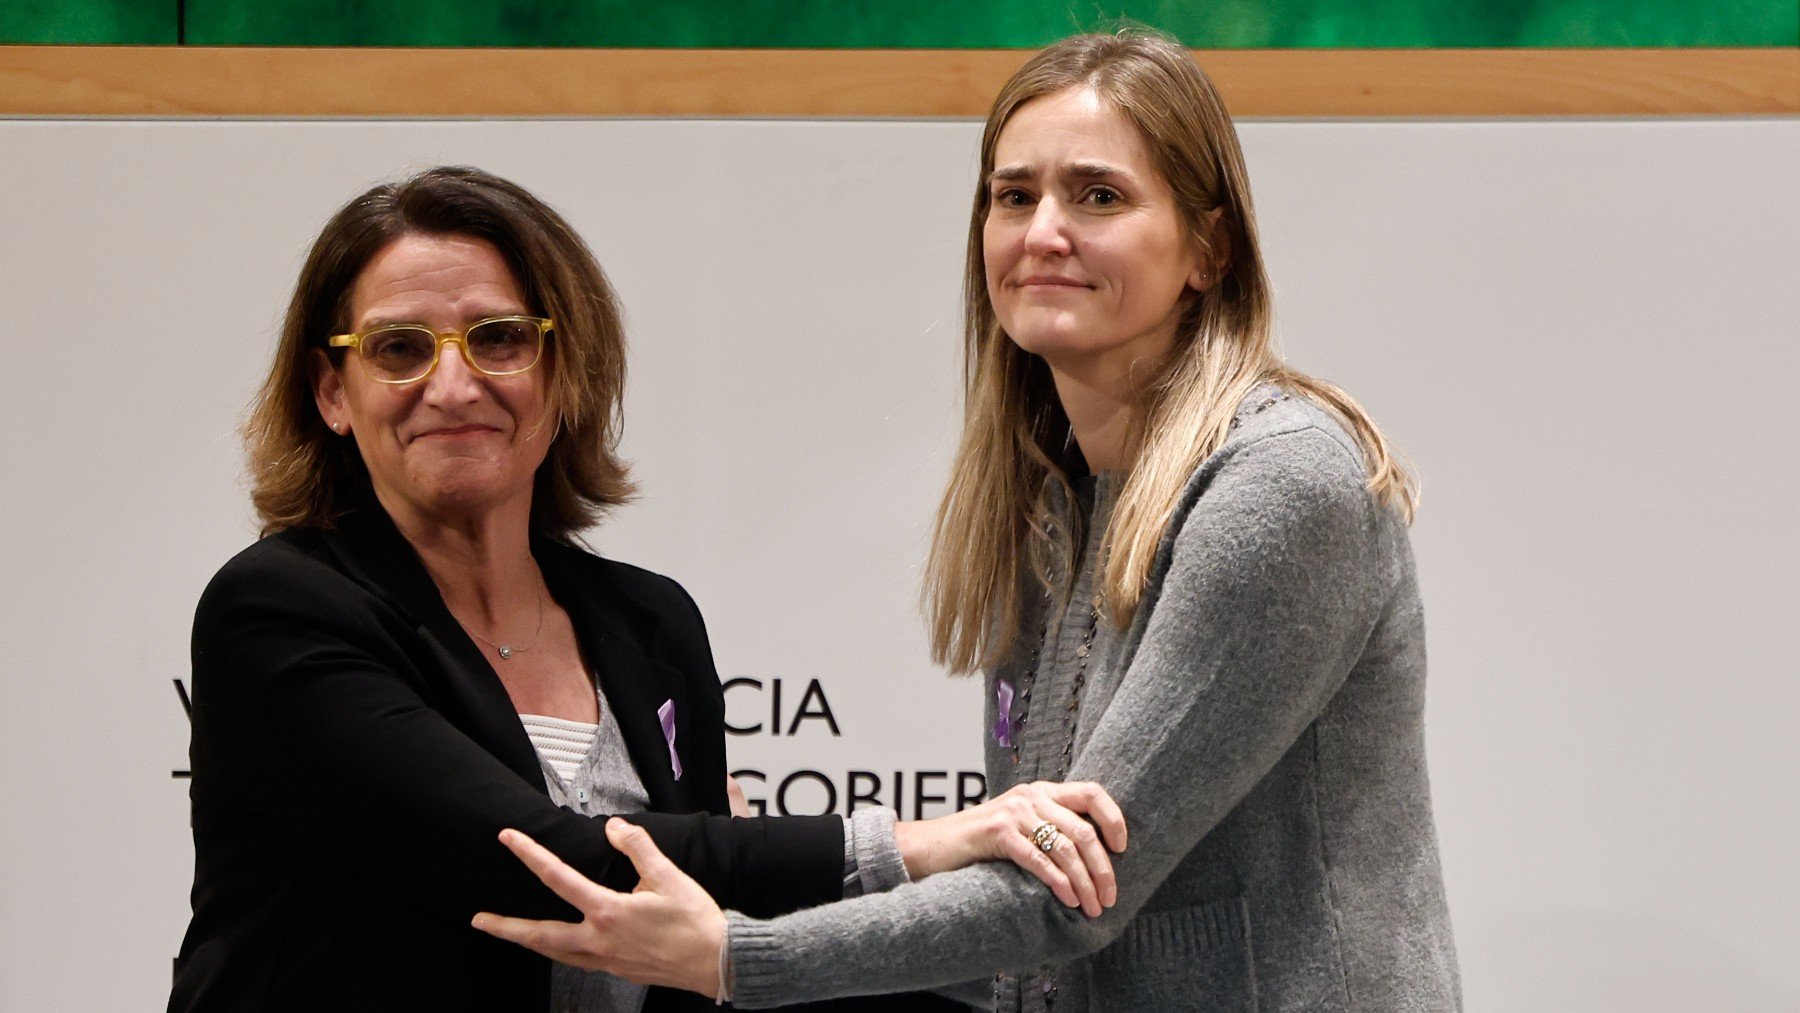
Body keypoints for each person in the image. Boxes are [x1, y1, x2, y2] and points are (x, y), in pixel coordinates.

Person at [474, 29, 1462, 1011]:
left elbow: (1070, 892)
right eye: (1014, 195)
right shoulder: (1046, 496)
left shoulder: (1281, 484)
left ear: (1209, 246)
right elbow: (1025, 908)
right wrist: (763, 889)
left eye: (1100, 196)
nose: (1043, 234)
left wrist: (736, 951)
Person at [168, 166, 1128, 1013]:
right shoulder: (279, 610)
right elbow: (545, 863)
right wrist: (922, 844)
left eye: (498, 338)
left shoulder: (649, 621)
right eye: (398, 349)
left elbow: (704, 933)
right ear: (333, 392)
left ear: (563, 371)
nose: (452, 386)